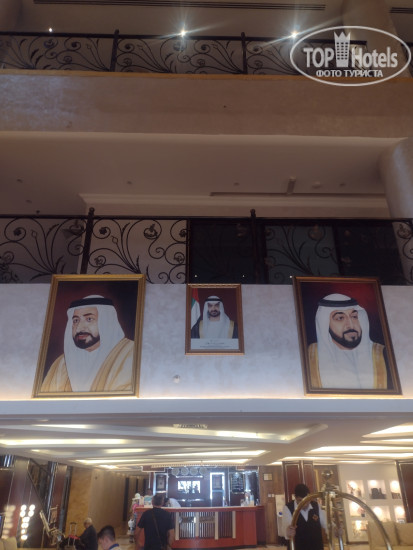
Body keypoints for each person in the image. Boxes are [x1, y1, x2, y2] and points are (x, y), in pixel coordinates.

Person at [40, 295, 135, 393]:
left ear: (106, 321)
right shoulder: (61, 363)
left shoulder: (131, 353)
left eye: (89, 319)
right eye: (76, 320)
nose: (79, 328)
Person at [307, 293, 389, 389]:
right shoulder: (310, 358)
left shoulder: (384, 355)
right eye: (340, 318)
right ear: (325, 324)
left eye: (354, 317)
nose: (351, 325)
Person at [282, 483, 326, 550]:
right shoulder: (288, 508)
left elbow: (326, 522)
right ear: (295, 497)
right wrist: (288, 531)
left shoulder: (316, 506)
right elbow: (286, 524)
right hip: (297, 547)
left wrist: (334, 529)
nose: (305, 504)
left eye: (307, 500)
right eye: (300, 500)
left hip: (316, 546)